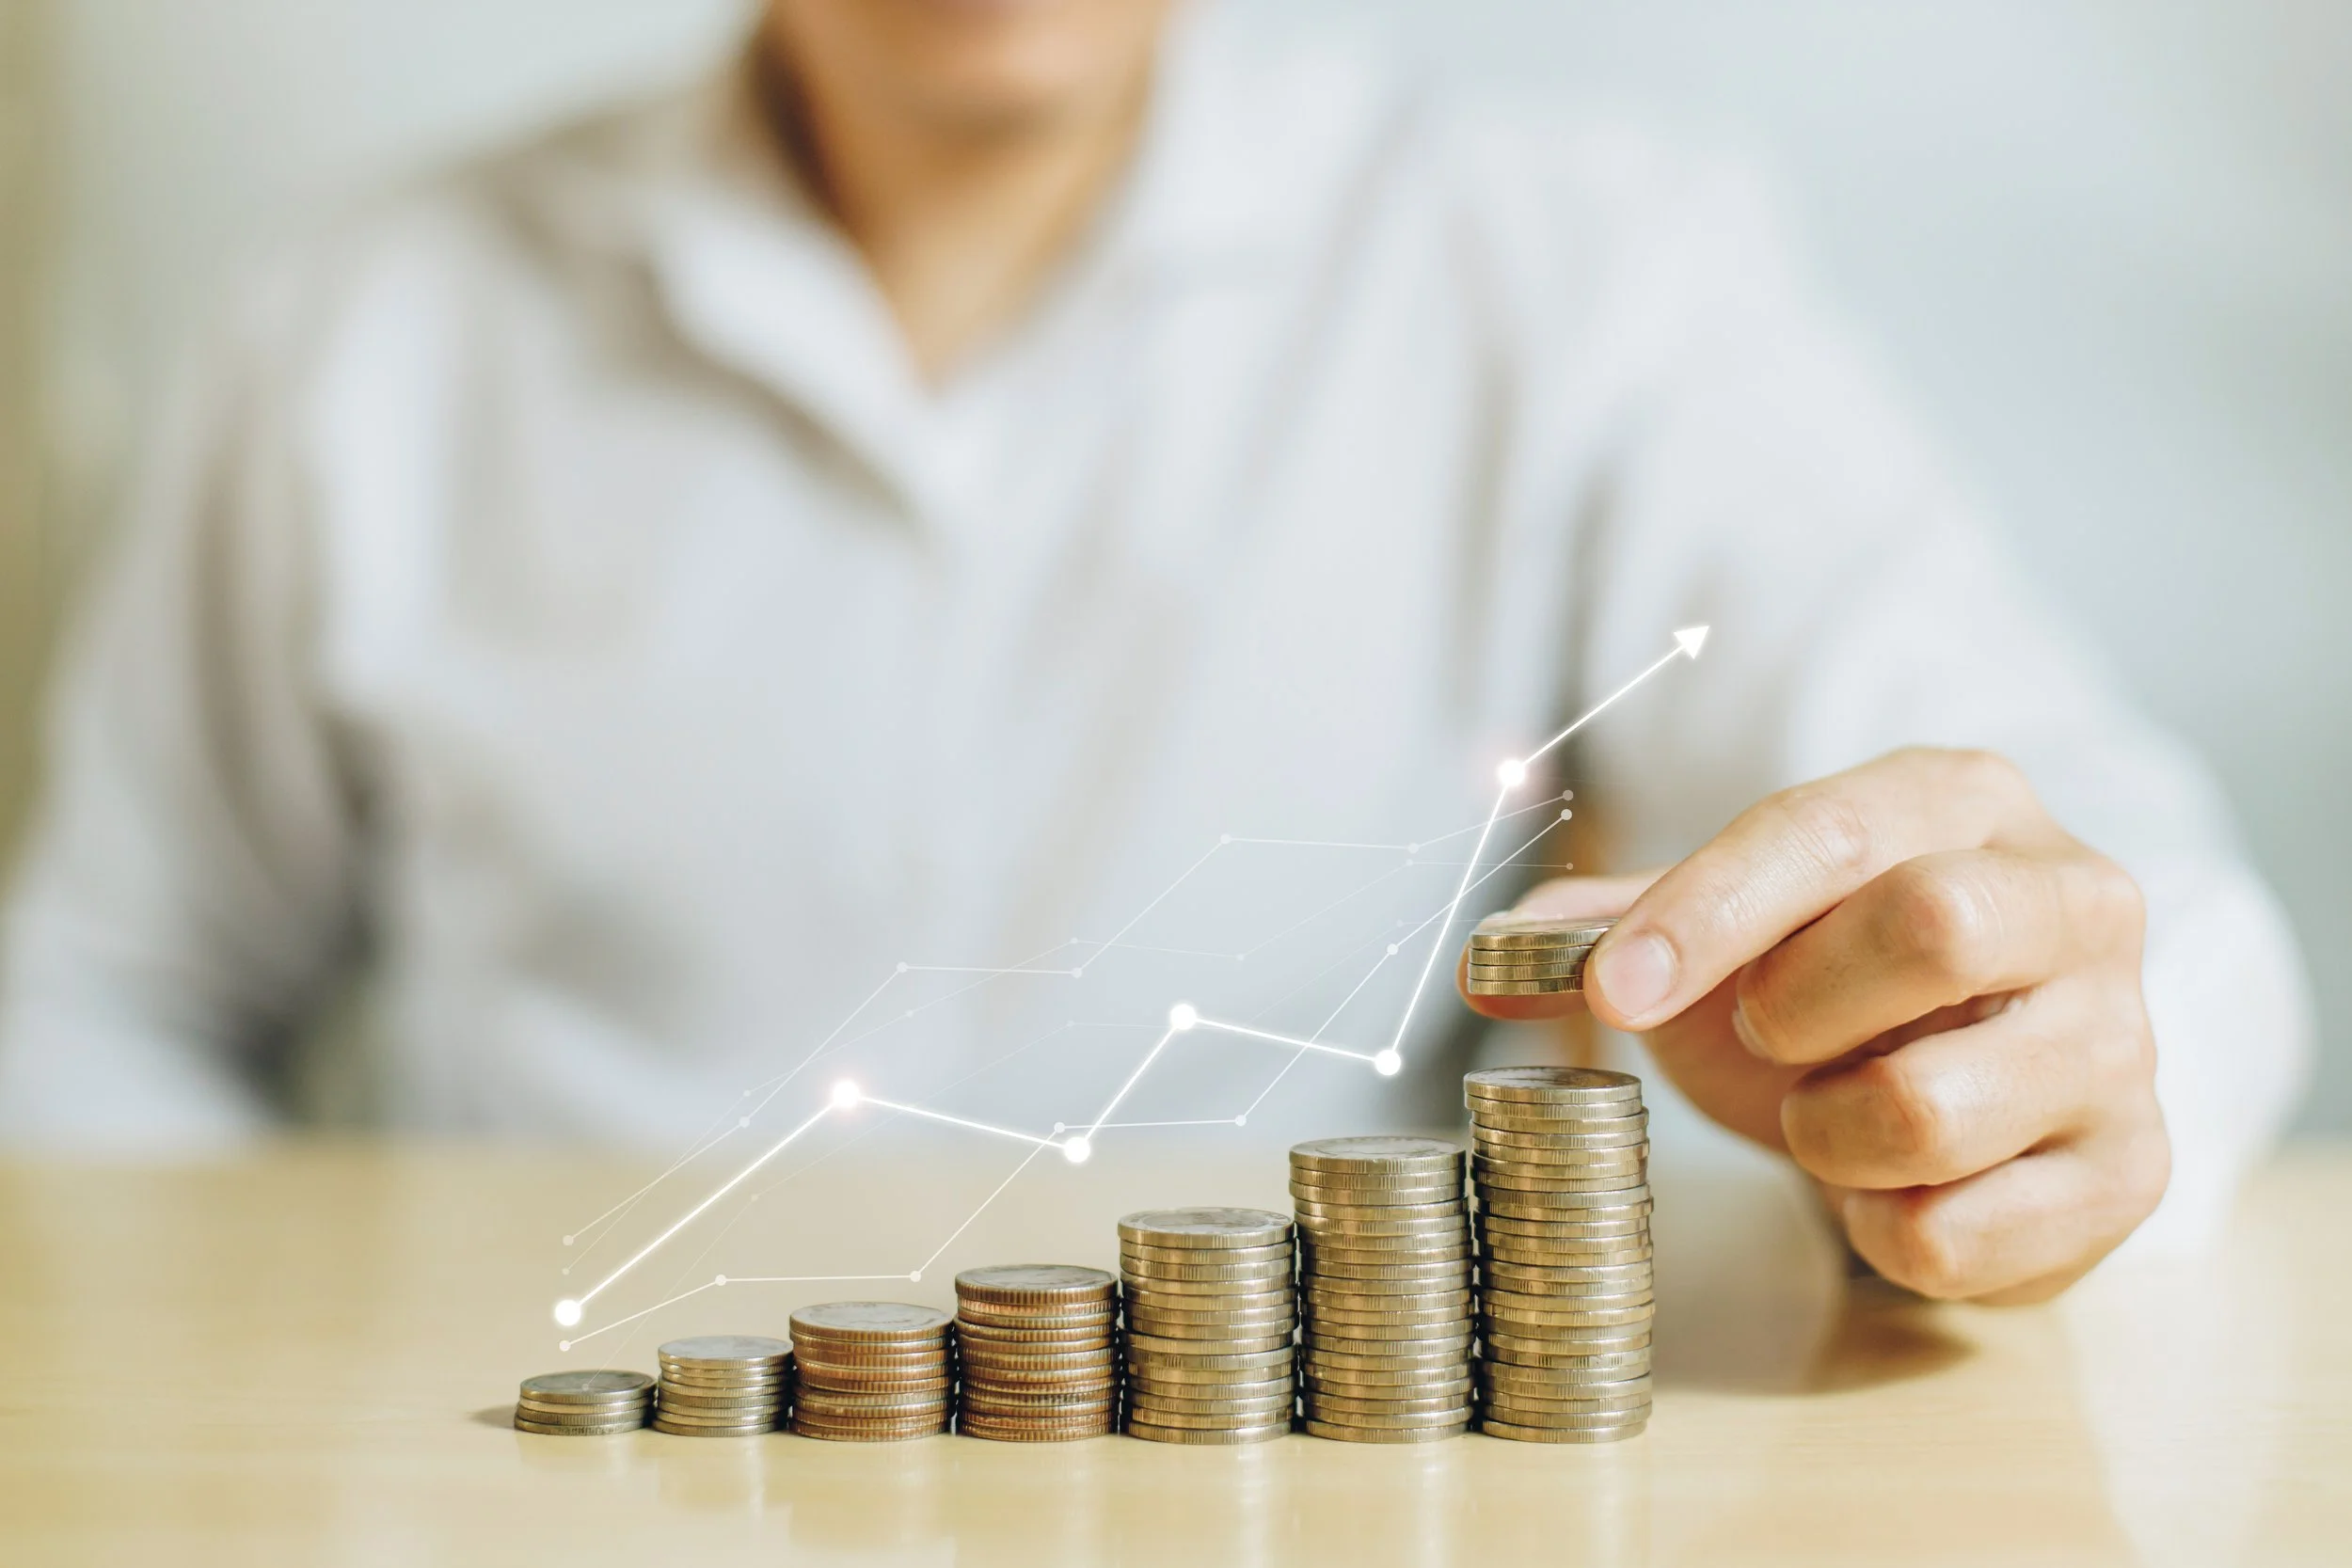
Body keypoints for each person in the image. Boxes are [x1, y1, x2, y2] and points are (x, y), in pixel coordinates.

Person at [0, 0, 2311, 1307]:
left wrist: (2030, 1082)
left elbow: (2143, 919)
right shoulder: (357, 328)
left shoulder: (1586, 272)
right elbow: (93, 997)